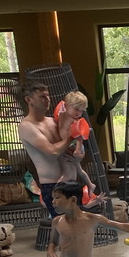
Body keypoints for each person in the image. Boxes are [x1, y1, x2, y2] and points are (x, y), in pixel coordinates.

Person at [18, 81, 81, 218]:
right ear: (29, 100)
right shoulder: (27, 126)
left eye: (48, 96)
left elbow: (70, 147)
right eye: (42, 97)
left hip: (70, 181)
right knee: (64, 228)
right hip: (52, 185)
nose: (47, 100)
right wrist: (72, 135)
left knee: (78, 227)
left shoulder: (53, 121)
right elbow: (52, 153)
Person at [53, 91, 101, 206]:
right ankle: (90, 184)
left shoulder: (75, 121)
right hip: (68, 147)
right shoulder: (62, 114)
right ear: (67, 106)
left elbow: (79, 137)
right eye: (76, 109)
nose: (78, 113)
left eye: (81, 110)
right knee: (78, 170)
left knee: (67, 173)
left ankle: (55, 192)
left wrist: (78, 151)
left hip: (74, 148)